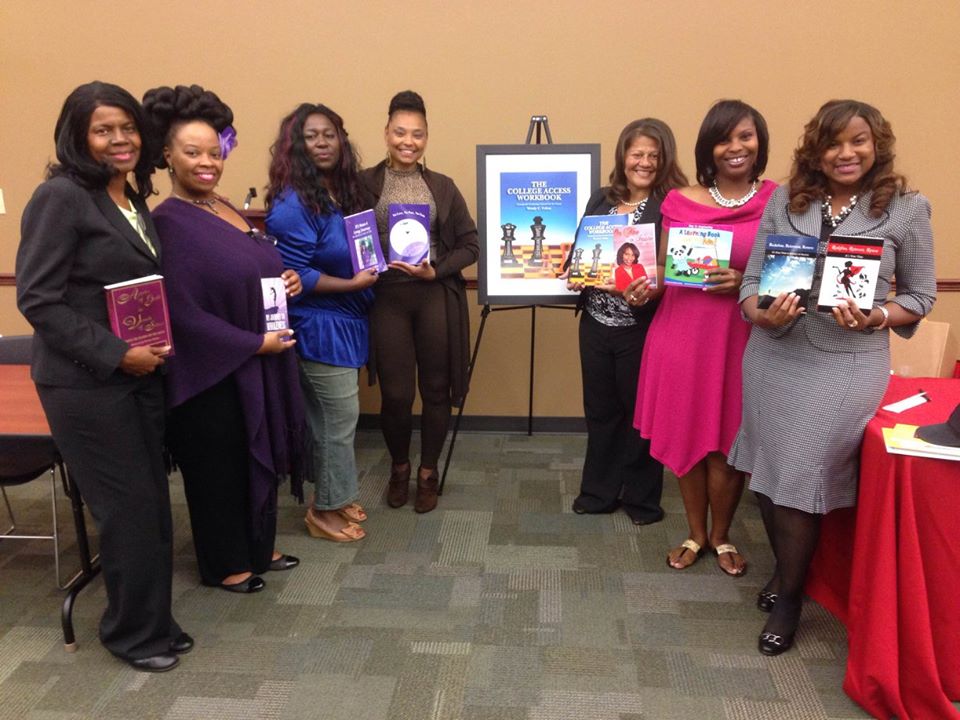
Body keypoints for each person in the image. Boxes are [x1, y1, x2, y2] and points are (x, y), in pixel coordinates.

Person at [729, 100, 936, 655]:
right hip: (772, 355)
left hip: (844, 364)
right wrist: (758, 314)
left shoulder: (907, 209)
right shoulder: (785, 199)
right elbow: (752, 282)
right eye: (833, 142)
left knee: (800, 479)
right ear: (815, 150)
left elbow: (920, 296)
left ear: (876, 145)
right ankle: (784, 572)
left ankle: (791, 600)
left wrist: (877, 316)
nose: (846, 153)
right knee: (768, 471)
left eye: (858, 141)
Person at [16, 81, 189, 672]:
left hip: (139, 375)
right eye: (103, 129)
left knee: (153, 504)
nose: (120, 139)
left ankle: (154, 621)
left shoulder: (130, 197)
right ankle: (131, 635)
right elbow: (38, 299)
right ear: (78, 136)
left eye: (128, 127)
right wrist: (118, 354)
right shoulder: (60, 198)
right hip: (86, 384)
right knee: (128, 508)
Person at [142, 84, 305, 593]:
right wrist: (253, 344)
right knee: (218, 466)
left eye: (215, 152)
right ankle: (225, 563)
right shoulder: (169, 223)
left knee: (253, 451)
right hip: (211, 370)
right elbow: (182, 312)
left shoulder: (222, 206)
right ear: (168, 156)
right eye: (193, 153)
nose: (207, 163)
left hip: (254, 360)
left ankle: (257, 546)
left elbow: (253, 269)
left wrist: (286, 281)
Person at [626, 100, 776, 575]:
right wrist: (644, 287)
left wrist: (746, 282)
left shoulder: (779, 201)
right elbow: (665, 268)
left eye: (745, 136)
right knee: (687, 434)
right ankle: (695, 532)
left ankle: (722, 535)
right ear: (708, 147)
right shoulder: (679, 200)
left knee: (728, 441)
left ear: (759, 142)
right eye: (723, 138)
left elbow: (792, 272)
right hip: (681, 336)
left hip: (741, 339)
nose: (735, 147)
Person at [359, 90, 479, 513]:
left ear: (426, 137)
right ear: (386, 133)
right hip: (387, 297)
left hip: (433, 295)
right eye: (400, 132)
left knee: (435, 390)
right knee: (395, 394)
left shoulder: (442, 187)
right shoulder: (363, 184)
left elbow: (471, 244)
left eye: (417, 134)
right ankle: (400, 468)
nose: (408, 141)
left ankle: (428, 472)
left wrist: (437, 269)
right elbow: (348, 235)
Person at [565, 119, 688, 524]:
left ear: (664, 160)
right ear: (623, 156)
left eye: (654, 155)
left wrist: (650, 288)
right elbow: (582, 252)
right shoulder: (601, 200)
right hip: (595, 324)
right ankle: (598, 492)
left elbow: (676, 268)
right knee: (600, 411)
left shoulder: (671, 206)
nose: (645, 162)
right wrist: (574, 272)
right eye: (637, 154)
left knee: (640, 415)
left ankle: (640, 498)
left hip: (641, 328)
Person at [266, 103, 374, 543]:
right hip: (318, 325)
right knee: (335, 418)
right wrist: (352, 284)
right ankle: (324, 511)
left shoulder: (339, 193)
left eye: (329, 134)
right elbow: (294, 275)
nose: (322, 143)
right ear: (296, 145)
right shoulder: (293, 203)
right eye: (311, 136)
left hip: (346, 321)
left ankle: (337, 493)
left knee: (339, 416)